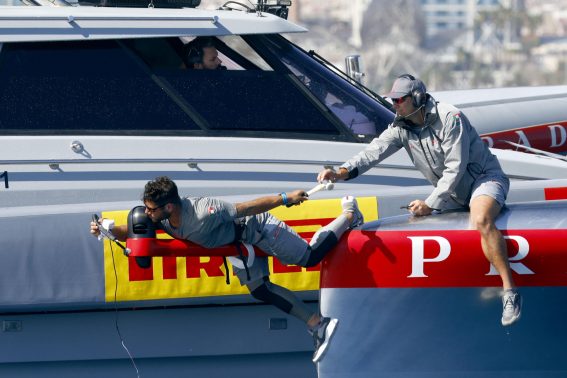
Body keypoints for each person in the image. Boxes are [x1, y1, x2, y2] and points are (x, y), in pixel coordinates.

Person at [317, 74, 522, 327]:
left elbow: (456, 168)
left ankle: (509, 291)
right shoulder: (400, 127)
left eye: (399, 100)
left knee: (480, 219)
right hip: (452, 193)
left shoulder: (450, 117)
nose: (395, 105)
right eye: (392, 100)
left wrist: (431, 203)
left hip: (484, 180)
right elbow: (372, 153)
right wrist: (340, 172)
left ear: (416, 98)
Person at [90, 176, 364, 362]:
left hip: (258, 228)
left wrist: (285, 198)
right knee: (260, 290)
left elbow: (246, 207)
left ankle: (350, 214)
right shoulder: (160, 217)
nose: (147, 213)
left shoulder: (204, 211)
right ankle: (318, 324)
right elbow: (136, 230)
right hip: (239, 245)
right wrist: (106, 228)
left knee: (309, 257)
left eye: (151, 209)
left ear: (168, 205)